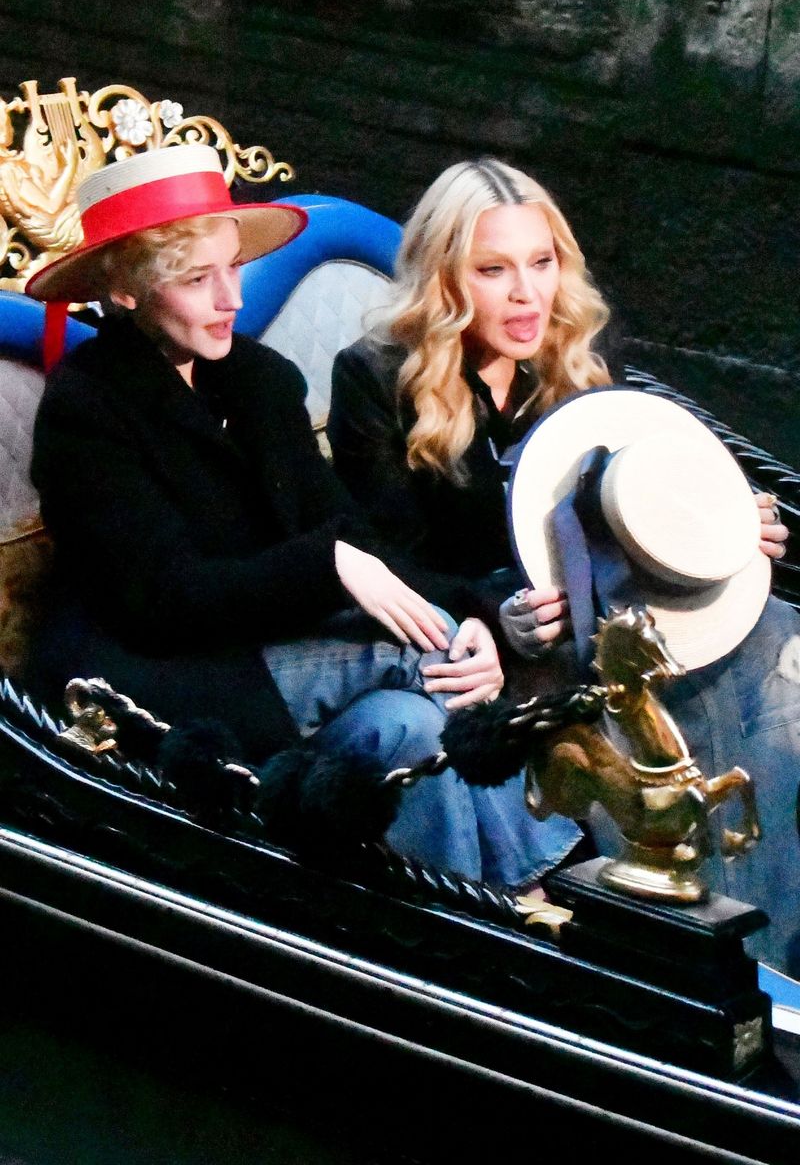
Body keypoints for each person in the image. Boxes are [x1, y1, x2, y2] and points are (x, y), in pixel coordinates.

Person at [24, 143, 579, 889]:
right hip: (165, 686)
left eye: (233, 269)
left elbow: (352, 531)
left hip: (272, 659)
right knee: (434, 658)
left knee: (413, 724)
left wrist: (474, 609)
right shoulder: (87, 407)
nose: (232, 300)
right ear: (125, 291)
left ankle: (433, 933)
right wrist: (334, 569)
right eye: (197, 280)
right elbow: (162, 602)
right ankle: (536, 889)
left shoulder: (257, 381)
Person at [328, 157, 800, 973]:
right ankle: (666, 952)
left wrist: (726, 525)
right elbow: (386, 557)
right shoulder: (374, 376)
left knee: (775, 636)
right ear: (446, 276)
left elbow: (642, 502)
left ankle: (767, 954)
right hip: (494, 646)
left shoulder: (582, 353)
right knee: (632, 692)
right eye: (494, 270)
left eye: (542, 264)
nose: (527, 295)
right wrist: (492, 610)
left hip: (611, 621)